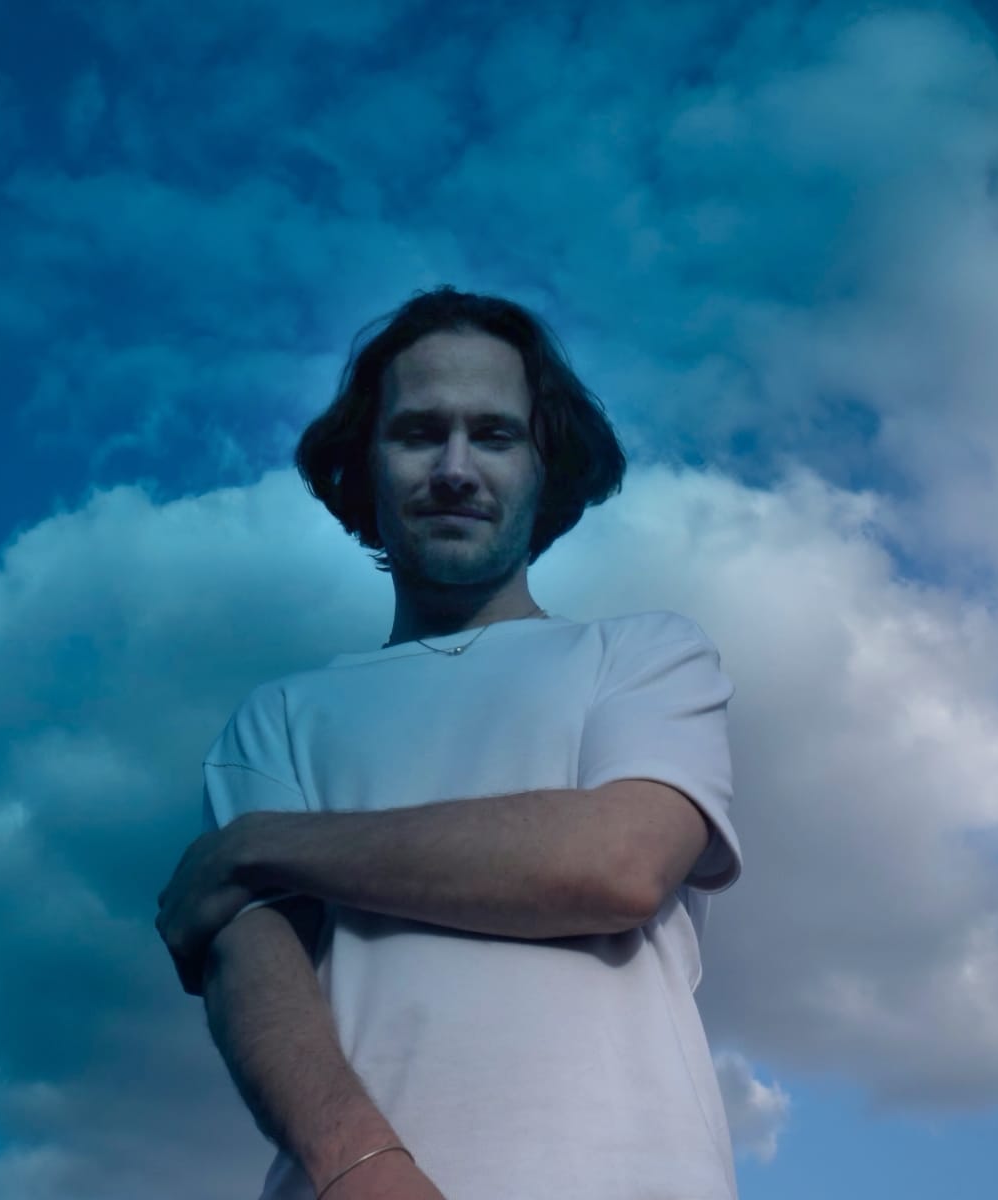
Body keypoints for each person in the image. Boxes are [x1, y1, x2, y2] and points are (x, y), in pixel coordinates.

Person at [156, 286, 742, 1200]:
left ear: (545, 468)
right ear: (367, 464)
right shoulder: (278, 715)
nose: (456, 468)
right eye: (420, 433)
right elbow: (250, 962)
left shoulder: (641, 654)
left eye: (496, 435)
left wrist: (255, 846)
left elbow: (620, 863)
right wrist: (367, 1170)